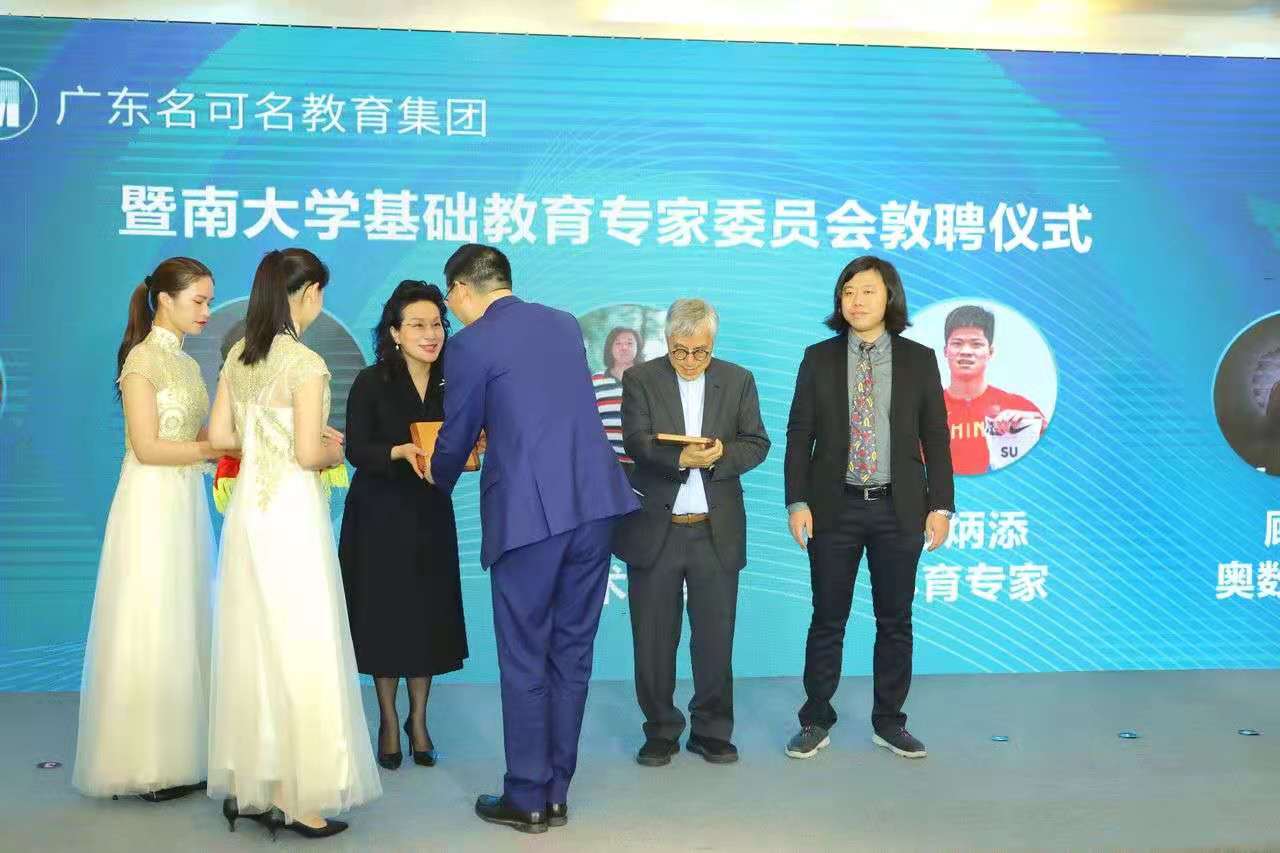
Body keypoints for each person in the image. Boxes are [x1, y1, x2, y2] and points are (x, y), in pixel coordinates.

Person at [426, 244, 639, 834]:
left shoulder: (470, 344)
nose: (451, 311)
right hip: (595, 504)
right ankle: (556, 791)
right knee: (572, 652)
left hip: (528, 515)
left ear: (462, 289)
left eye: (450, 300)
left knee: (524, 654)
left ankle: (526, 795)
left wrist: (435, 476)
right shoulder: (563, 324)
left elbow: (459, 430)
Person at [207, 248, 381, 840]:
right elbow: (311, 454)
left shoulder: (239, 355)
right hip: (293, 519)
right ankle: (295, 798)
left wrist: (268, 440)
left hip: (249, 518)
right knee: (300, 643)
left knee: (255, 643)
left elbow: (220, 435)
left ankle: (255, 787)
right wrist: (337, 449)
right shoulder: (305, 363)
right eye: (319, 292)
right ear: (307, 294)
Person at [783, 255, 954, 762]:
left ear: (889, 298)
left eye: (867, 291)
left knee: (895, 620)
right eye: (848, 291)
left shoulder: (919, 360)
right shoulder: (818, 358)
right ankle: (816, 718)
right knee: (827, 618)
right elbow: (799, 436)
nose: (856, 301)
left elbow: (936, 437)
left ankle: (889, 721)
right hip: (833, 507)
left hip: (898, 509)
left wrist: (942, 505)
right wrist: (797, 501)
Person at [73, 257, 219, 801]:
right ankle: (146, 764)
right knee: (153, 620)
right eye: (198, 301)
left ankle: (183, 754)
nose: (205, 311)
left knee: (184, 616)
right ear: (165, 299)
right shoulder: (141, 360)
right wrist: (216, 448)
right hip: (150, 502)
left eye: (209, 301)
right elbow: (148, 447)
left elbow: (198, 435)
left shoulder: (187, 363)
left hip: (185, 500)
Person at [613, 298, 769, 767]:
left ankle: (711, 731)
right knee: (653, 641)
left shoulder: (738, 380)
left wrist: (721, 455)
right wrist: (680, 458)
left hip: (715, 531)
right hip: (655, 531)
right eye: (680, 351)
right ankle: (660, 730)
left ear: (712, 343)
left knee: (715, 640)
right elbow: (635, 440)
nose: (689, 360)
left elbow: (756, 443)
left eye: (700, 351)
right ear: (667, 341)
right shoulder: (641, 379)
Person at [339, 280, 467, 771]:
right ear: (394, 332)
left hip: (430, 512)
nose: (430, 334)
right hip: (379, 515)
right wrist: (396, 451)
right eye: (417, 325)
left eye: (436, 324)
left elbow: (465, 442)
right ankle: (389, 720)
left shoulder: (454, 381)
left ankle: (419, 720)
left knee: (425, 617)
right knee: (385, 617)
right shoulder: (372, 381)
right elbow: (356, 449)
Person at [941, 304, 1048, 475]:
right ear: (946, 351)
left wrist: (1039, 428)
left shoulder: (1020, 408)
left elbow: (1049, 462)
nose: (966, 351)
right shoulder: (922, 413)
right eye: (957, 343)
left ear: (990, 352)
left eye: (976, 344)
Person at [592, 326, 644, 468]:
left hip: (643, 464)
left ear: (638, 348)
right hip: (605, 463)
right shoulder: (596, 380)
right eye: (618, 343)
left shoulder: (649, 380)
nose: (624, 348)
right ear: (610, 348)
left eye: (629, 343)